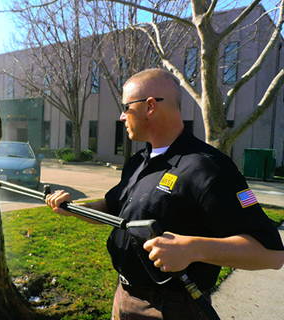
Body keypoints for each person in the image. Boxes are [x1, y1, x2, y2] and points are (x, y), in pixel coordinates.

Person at [45, 68, 284, 320]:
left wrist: (193, 248)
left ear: (149, 106)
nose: (121, 116)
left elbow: (271, 254)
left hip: (174, 308)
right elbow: (111, 206)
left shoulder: (208, 167)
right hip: (123, 297)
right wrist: (71, 207)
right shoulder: (139, 160)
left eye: (126, 107)